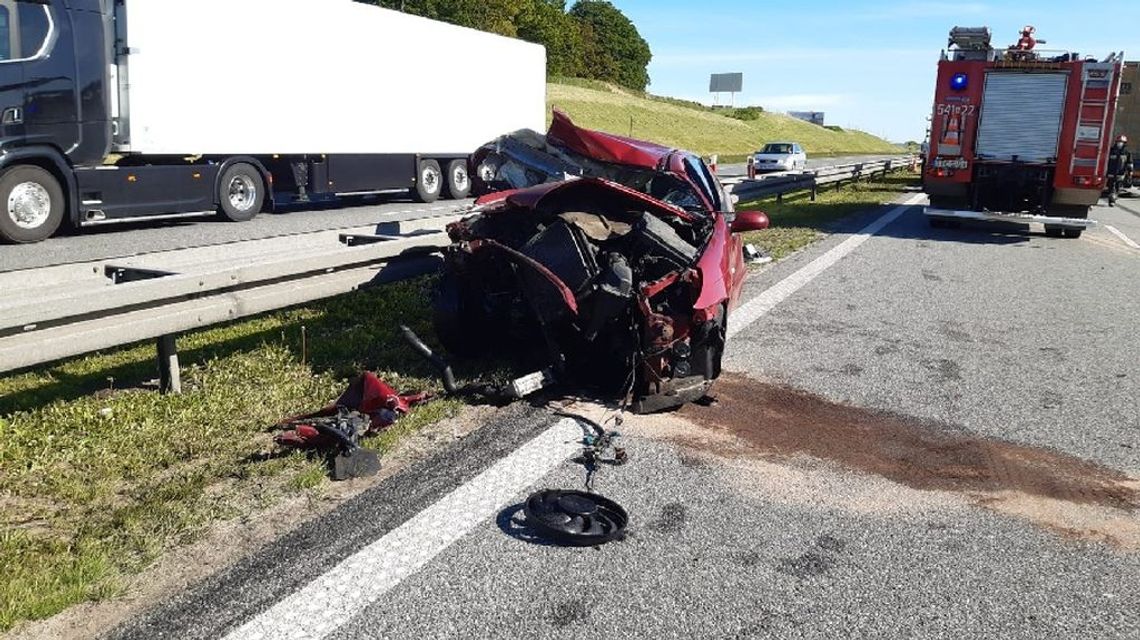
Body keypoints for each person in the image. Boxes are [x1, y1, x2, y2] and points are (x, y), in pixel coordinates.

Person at [1106, 135, 1133, 207]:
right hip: (1111, 172)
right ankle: (1111, 200)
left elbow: (1129, 163)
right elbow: (1106, 161)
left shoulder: (1127, 153)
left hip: (1121, 173)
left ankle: (1114, 197)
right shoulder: (1111, 151)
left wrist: (1130, 173)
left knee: (1118, 187)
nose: (1120, 143)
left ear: (1124, 143)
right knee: (1111, 186)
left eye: (1121, 142)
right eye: (1118, 142)